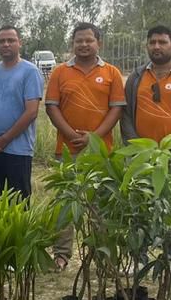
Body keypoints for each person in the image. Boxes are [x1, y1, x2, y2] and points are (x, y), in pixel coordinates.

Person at [44, 23, 126, 267]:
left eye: (89, 40)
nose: (83, 45)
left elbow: (117, 109)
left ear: (98, 42)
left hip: (101, 151)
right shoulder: (60, 72)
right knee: (65, 203)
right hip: (67, 151)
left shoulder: (111, 73)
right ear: (73, 43)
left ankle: (101, 254)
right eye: (79, 40)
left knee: (100, 203)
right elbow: (51, 107)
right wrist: (70, 134)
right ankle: (61, 254)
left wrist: (94, 138)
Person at [121, 25, 171, 159]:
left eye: (162, 42)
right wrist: (137, 146)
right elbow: (125, 114)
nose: (157, 47)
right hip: (141, 155)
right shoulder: (136, 77)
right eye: (152, 43)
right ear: (147, 46)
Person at [0, 26, 43, 198]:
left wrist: (5, 139)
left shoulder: (30, 72)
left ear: (19, 43)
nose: (6, 44)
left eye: (11, 40)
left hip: (18, 149)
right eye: (1, 41)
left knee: (19, 203)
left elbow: (31, 112)